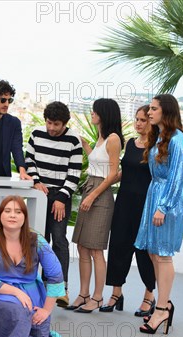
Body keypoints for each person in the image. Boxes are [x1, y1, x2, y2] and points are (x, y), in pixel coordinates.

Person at [0, 196, 67, 337]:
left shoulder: (37, 239)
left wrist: (46, 310)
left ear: (25, 217)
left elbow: (56, 274)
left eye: (18, 212)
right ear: (0, 215)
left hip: (32, 291)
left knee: (40, 322)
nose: (12, 215)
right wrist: (16, 293)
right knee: (18, 310)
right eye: (7, 211)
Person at [135, 94, 183, 334]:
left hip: (167, 200)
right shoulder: (160, 138)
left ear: (165, 111)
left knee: (163, 254)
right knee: (153, 253)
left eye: (154, 109)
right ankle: (163, 305)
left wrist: (163, 207)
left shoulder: (178, 140)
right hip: (154, 195)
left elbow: (176, 178)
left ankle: (162, 309)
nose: (149, 113)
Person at [25, 101, 83, 307]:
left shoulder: (74, 140)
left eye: (56, 124)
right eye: (49, 123)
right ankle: (36, 286)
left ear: (65, 123)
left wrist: (61, 198)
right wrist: (37, 182)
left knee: (59, 241)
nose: (51, 128)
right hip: (39, 192)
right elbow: (29, 160)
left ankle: (61, 289)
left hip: (61, 196)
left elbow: (74, 172)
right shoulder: (36, 134)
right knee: (38, 240)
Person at [68, 98, 123, 313]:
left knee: (96, 249)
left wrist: (92, 197)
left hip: (100, 194)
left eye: (94, 111)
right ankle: (84, 293)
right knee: (82, 245)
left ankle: (98, 297)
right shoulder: (101, 138)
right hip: (90, 188)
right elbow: (96, 161)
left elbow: (111, 175)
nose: (91, 114)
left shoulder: (113, 139)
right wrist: (83, 143)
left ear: (104, 113)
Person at [100, 105, 157, 315]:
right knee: (118, 246)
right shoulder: (131, 144)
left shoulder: (157, 148)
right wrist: (102, 184)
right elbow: (124, 171)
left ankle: (149, 295)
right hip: (124, 202)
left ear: (152, 121)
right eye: (137, 119)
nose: (139, 123)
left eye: (143, 120)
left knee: (144, 251)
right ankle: (116, 292)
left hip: (145, 206)